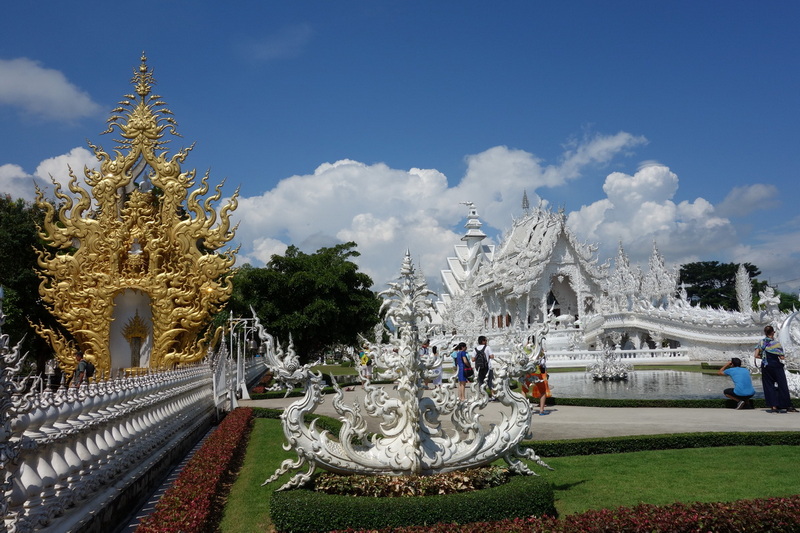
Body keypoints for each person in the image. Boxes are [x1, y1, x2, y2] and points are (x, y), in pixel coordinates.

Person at [755, 325, 797, 413]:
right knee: (782, 385)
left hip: (765, 366)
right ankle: (786, 404)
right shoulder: (776, 343)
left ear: (765, 333)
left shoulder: (761, 342)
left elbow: (756, 355)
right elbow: (781, 357)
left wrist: (764, 357)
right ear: (773, 332)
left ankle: (773, 406)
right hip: (776, 366)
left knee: (768, 386)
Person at [521, 349, 551, 415]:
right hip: (536, 372)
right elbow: (542, 361)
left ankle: (525, 409)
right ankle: (541, 411)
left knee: (524, 391)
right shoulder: (538, 349)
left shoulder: (525, 349)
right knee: (543, 391)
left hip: (527, 372)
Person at [472, 335, 496, 400]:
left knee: (481, 382)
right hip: (487, 367)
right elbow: (491, 356)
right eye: (485, 340)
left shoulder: (475, 349)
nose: (486, 341)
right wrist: (491, 356)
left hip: (479, 368)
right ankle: (493, 396)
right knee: (490, 382)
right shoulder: (487, 348)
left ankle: (484, 397)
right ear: (483, 341)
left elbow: (473, 359)